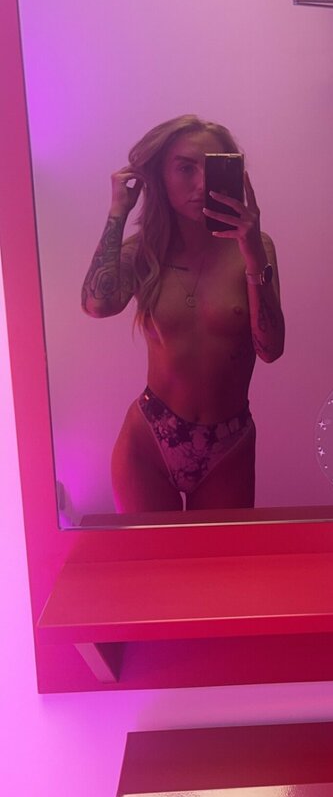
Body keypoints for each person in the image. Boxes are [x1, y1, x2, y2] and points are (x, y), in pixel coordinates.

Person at [81, 115, 284, 513]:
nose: (202, 184)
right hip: (149, 439)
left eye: (213, 168)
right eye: (186, 168)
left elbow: (270, 349)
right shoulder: (145, 251)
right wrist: (118, 211)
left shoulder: (257, 248)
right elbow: (96, 305)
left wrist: (252, 257)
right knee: (151, 553)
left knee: (221, 554)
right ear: (161, 176)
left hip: (229, 442)